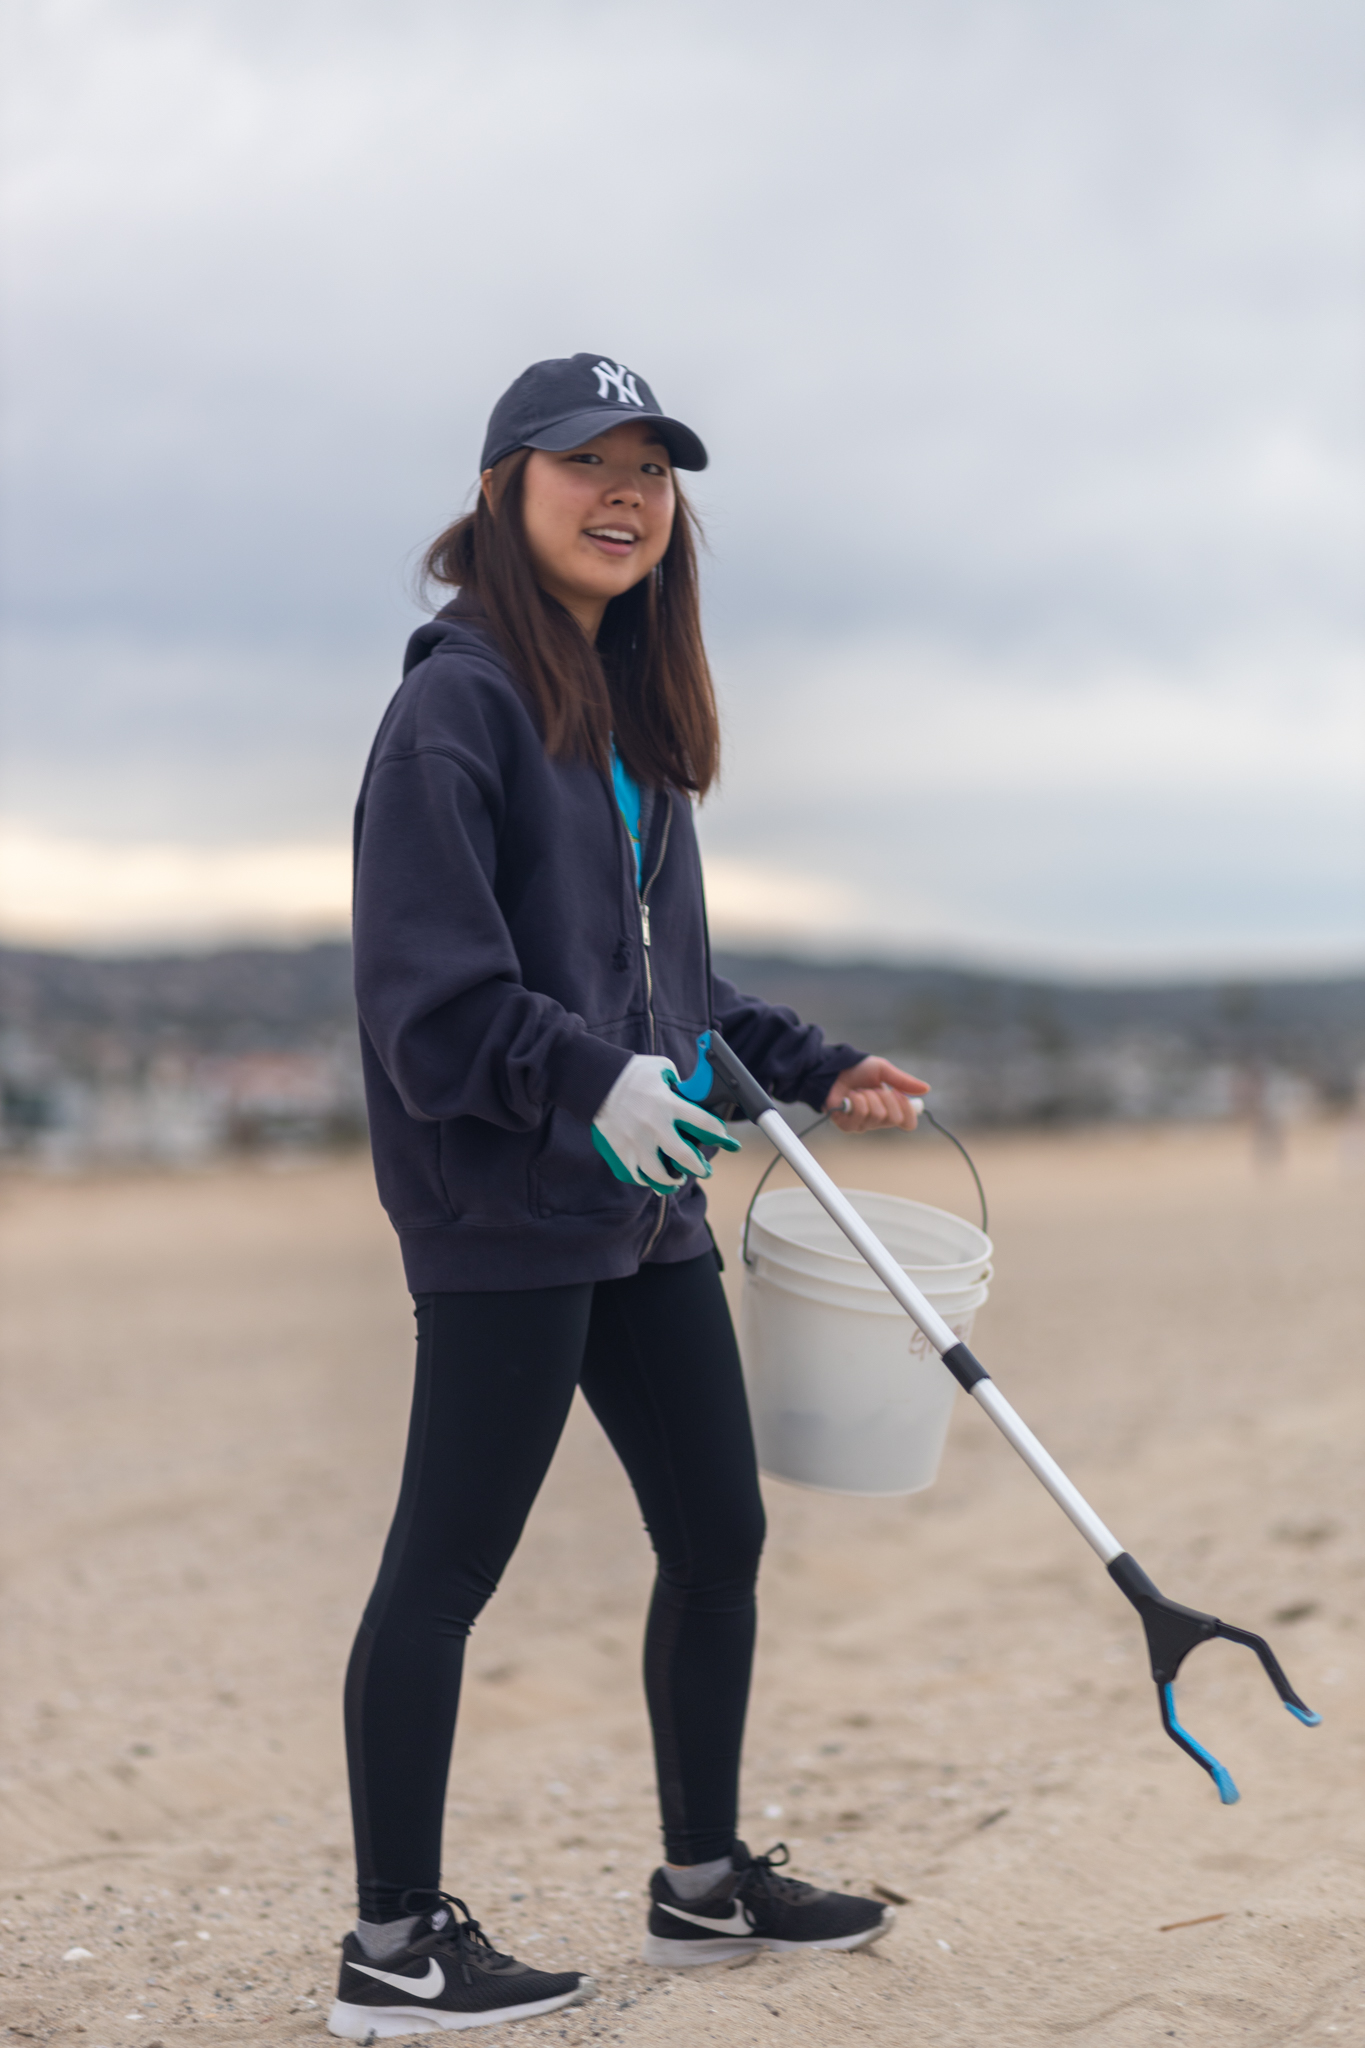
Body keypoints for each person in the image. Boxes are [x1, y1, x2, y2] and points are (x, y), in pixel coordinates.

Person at [329, 354, 927, 2039]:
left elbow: (673, 998)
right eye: (583, 462)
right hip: (506, 1207)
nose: (624, 495)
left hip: (643, 1207)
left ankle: (702, 1884)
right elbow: (428, 999)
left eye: (652, 471)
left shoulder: (631, 733)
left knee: (717, 1532)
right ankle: (391, 1946)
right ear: (504, 490)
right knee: (445, 1567)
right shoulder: (454, 706)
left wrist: (812, 1065)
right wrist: (588, 1083)